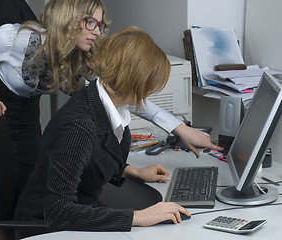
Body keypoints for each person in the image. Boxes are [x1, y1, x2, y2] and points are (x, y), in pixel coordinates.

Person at [0, 0, 220, 193]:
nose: (97, 30)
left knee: (28, 179)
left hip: (27, 110)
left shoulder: (80, 57)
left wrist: (180, 127)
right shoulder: (12, 38)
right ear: (68, 20)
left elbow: (124, 92)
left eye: (100, 23)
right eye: (90, 22)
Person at [14, 26, 195, 237]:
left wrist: (134, 171)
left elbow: (89, 159)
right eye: (150, 85)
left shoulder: (104, 105)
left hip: (79, 216)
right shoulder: (78, 125)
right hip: (45, 229)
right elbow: (58, 212)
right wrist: (139, 217)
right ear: (135, 81)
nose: (150, 92)